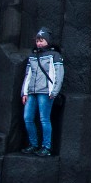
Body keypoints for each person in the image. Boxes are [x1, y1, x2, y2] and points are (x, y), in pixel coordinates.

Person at [22, 28, 65, 157]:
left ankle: (46, 147)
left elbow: (59, 74)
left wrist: (55, 91)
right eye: (37, 41)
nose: (39, 43)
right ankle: (33, 144)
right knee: (28, 118)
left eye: (41, 40)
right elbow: (27, 75)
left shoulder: (55, 55)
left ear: (47, 41)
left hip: (46, 92)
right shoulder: (32, 55)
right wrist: (24, 92)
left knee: (44, 119)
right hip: (31, 91)